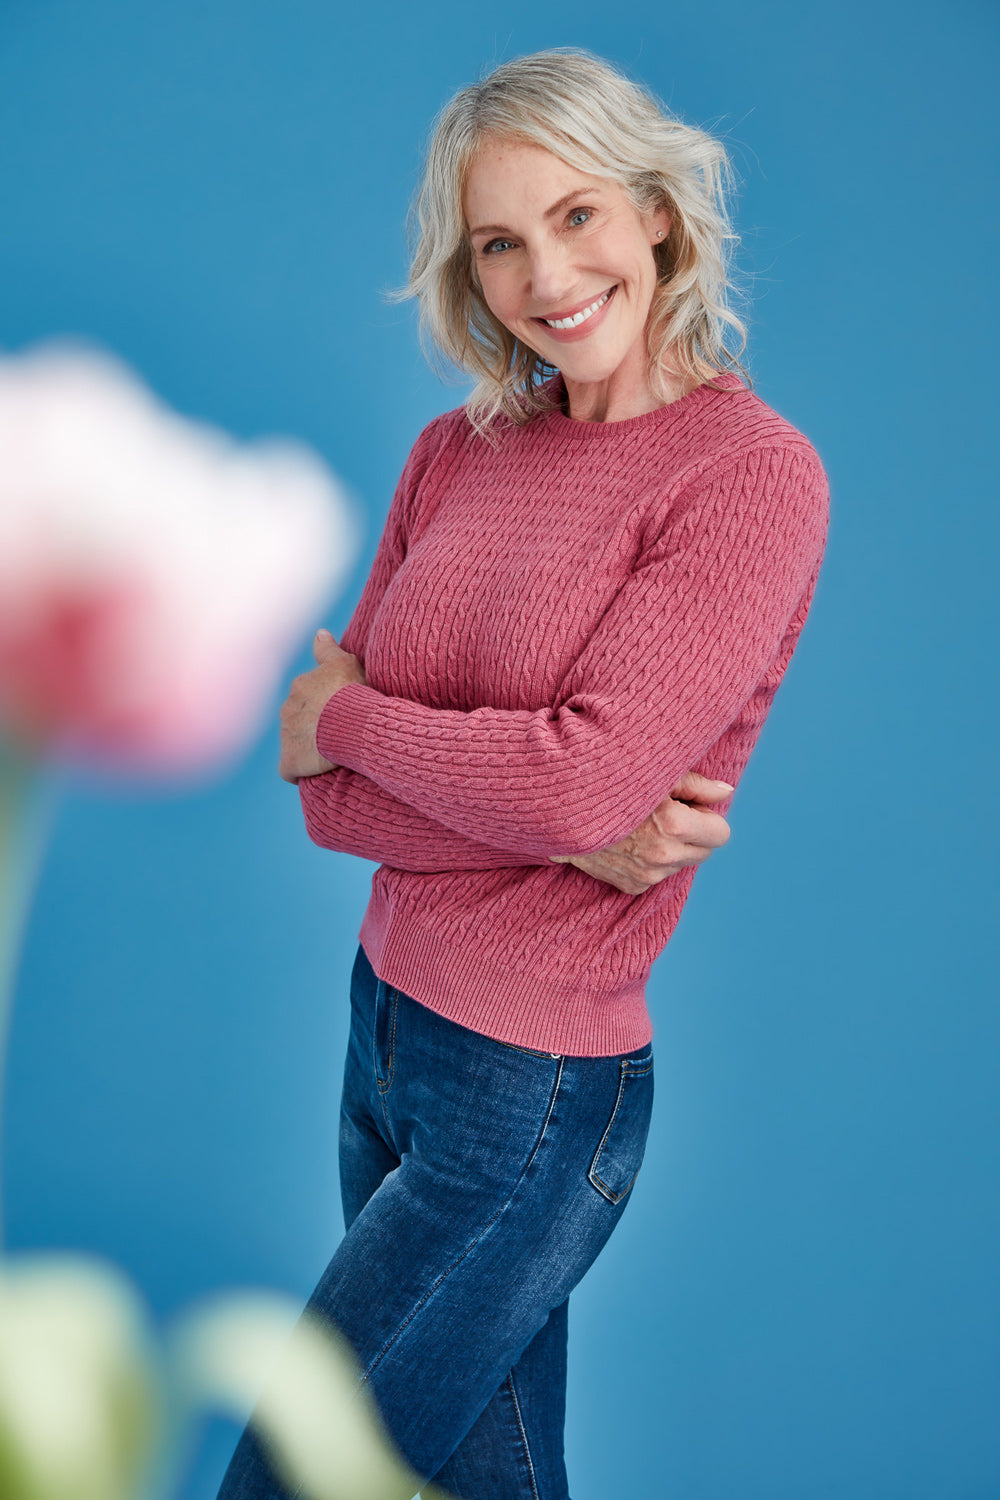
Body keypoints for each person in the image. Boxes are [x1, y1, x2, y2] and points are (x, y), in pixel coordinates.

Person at [218, 46, 829, 1500]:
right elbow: (325, 805)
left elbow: (523, 776)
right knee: (490, 1475)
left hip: (530, 1091)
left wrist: (358, 719)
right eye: (498, 241)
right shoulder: (456, 452)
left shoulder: (745, 477)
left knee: (291, 1479)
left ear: (659, 216)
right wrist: (557, 810)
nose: (544, 275)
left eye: (576, 217)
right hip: (382, 1037)